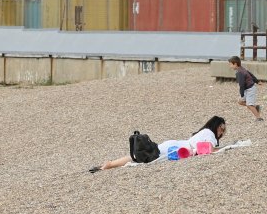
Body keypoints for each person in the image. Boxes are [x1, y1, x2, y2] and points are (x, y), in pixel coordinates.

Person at [90, 116, 226, 172]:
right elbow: (210, 149)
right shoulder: (210, 134)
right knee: (147, 158)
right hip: (178, 149)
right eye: (222, 128)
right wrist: (226, 148)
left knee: (145, 155)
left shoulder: (204, 132)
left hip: (175, 144)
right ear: (216, 126)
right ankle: (110, 164)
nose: (222, 132)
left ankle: (111, 164)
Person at [229, 56, 263, 121]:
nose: (230, 66)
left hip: (250, 89)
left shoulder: (240, 72)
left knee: (249, 105)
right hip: (246, 89)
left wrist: (242, 95)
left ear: (235, 64)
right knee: (240, 102)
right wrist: (257, 81)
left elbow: (241, 85)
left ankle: (259, 118)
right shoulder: (241, 69)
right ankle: (255, 107)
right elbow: (250, 74)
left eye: (230, 64)